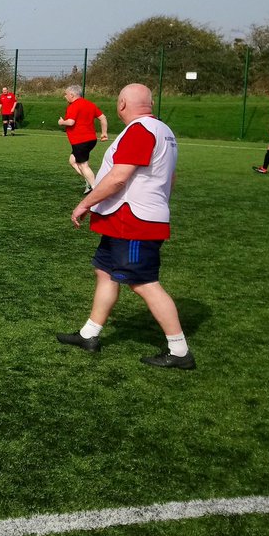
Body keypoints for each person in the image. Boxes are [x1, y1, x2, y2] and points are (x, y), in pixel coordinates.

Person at [58, 83, 193, 370]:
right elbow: (171, 178)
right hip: (125, 217)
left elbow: (119, 177)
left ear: (121, 104)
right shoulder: (164, 131)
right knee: (104, 271)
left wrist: (86, 203)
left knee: (143, 282)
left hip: (133, 221)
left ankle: (179, 350)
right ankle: (89, 334)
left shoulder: (140, 130)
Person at [58, 86, 109, 194]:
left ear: (72, 95)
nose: (65, 96)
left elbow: (71, 122)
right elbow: (103, 117)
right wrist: (104, 133)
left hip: (80, 140)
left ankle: (96, 189)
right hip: (91, 139)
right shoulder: (90, 104)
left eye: (66, 94)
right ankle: (89, 181)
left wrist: (62, 122)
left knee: (83, 165)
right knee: (72, 161)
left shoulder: (73, 106)